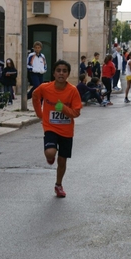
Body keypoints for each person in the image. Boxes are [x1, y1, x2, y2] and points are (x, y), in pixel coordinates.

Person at [32, 59, 82, 198]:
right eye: (58, 70)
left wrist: (64, 109)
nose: (61, 73)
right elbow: (35, 97)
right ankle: (50, 157)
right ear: (54, 73)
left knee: (62, 161)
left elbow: (76, 112)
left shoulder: (72, 91)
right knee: (50, 153)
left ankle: (58, 185)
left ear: (68, 74)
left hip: (66, 130)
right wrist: (40, 114)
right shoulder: (44, 88)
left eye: (64, 71)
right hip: (50, 127)